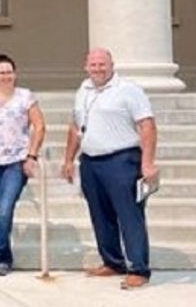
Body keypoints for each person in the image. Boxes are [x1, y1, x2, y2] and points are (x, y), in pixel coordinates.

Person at [62, 48, 158, 291]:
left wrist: (147, 163)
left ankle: (138, 268)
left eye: (102, 64)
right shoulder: (83, 90)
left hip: (122, 160)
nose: (98, 69)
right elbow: (75, 127)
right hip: (91, 162)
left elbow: (147, 126)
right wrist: (68, 159)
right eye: (93, 65)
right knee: (100, 215)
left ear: (111, 65)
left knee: (129, 215)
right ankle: (113, 262)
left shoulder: (129, 90)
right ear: (86, 66)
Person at [0, 54, 46, 277]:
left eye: (9, 72)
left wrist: (32, 156)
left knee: (5, 208)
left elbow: (40, 126)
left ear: (15, 73)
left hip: (17, 160)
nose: (6, 76)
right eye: (2, 72)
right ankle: (4, 259)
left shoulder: (25, 97)